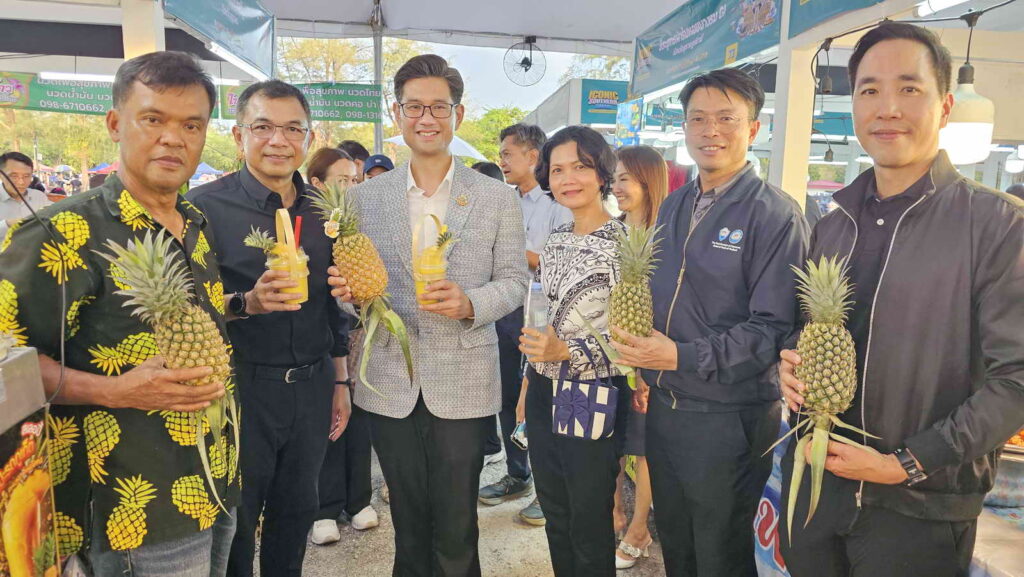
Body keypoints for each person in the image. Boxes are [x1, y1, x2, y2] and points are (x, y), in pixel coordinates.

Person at [778, 22, 1024, 577]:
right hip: (816, 489)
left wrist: (906, 463)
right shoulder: (833, 224)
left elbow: (1016, 379)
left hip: (918, 509)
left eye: (909, 88)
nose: (887, 108)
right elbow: (805, 328)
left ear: (945, 106)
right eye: (869, 90)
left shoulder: (998, 226)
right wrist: (790, 363)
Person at [0, 51, 238, 575]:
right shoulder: (59, 232)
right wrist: (114, 390)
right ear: (114, 124)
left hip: (215, 478)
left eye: (191, 125)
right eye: (153, 119)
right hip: (131, 508)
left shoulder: (194, 221)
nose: (173, 138)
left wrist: (245, 305)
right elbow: (8, 366)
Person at [331, 54, 527, 577]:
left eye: (439, 107)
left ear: (457, 115)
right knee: (408, 519)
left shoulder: (495, 198)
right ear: (397, 114)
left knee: (458, 521)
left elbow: (514, 281)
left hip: (464, 376)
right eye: (414, 107)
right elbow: (354, 292)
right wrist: (348, 294)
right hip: (388, 378)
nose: (426, 118)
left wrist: (471, 303)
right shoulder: (365, 200)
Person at [611, 67, 809, 577]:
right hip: (666, 408)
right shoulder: (676, 204)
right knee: (677, 544)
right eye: (697, 118)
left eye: (726, 118)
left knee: (720, 553)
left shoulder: (774, 215)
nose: (710, 130)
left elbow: (772, 328)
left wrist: (679, 355)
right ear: (684, 128)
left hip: (728, 418)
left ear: (754, 129)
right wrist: (644, 362)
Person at [187, 80, 352, 577]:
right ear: (239, 136)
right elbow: (185, 308)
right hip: (239, 388)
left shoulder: (325, 211)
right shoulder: (203, 208)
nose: (278, 140)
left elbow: (331, 308)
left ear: (309, 137)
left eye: (292, 129)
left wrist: (340, 382)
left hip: (312, 385)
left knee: (295, 516)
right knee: (236, 522)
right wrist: (247, 303)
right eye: (263, 127)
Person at [513, 125, 632, 577]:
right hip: (544, 390)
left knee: (588, 516)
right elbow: (540, 319)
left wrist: (567, 351)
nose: (568, 179)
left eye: (580, 167)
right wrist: (528, 383)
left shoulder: (625, 245)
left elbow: (632, 344)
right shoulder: (557, 239)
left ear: (601, 172)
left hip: (590, 393)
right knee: (555, 510)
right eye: (558, 169)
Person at [478, 123, 573, 527]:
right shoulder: (502, 201)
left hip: (541, 312)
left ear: (533, 156)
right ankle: (518, 474)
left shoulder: (557, 204)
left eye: (507, 153)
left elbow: (557, 263)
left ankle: (551, 492)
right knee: (506, 395)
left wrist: (510, 252)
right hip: (503, 309)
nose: (502, 161)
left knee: (539, 396)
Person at [301, 147, 379, 545]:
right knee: (329, 418)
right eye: (341, 181)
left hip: (361, 336)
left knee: (360, 416)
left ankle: (359, 499)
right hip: (324, 340)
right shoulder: (305, 226)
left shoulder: (359, 226)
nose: (351, 187)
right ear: (317, 183)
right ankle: (325, 507)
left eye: (354, 180)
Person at [607, 144, 667, 569]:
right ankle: (614, 511)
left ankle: (640, 528)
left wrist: (644, 369)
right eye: (614, 179)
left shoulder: (667, 238)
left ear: (648, 181)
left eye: (625, 178)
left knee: (643, 448)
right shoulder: (610, 231)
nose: (616, 187)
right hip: (604, 356)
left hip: (649, 359)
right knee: (609, 441)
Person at [0, 151, 52, 239]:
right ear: (1, 175)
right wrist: (7, 224)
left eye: (26, 176)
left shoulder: (39, 197)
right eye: (14, 176)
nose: (21, 182)